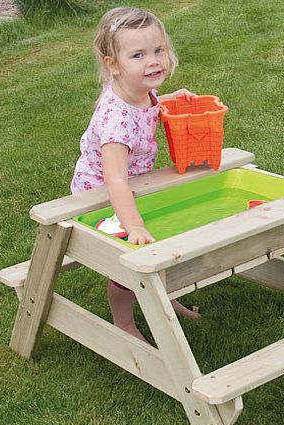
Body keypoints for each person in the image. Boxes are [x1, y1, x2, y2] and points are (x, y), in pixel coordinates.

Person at [71, 6, 200, 342]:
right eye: (138, 54)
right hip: (100, 197)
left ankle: (164, 297)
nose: (153, 61)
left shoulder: (137, 88)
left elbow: (147, 104)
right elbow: (114, 180)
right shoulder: (117, 122)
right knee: (126, 262)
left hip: (134, 187)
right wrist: (135, 226)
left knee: (163, 236)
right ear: (111, 64)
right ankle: (124, 322)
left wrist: (170, 99)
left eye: (158, 50)